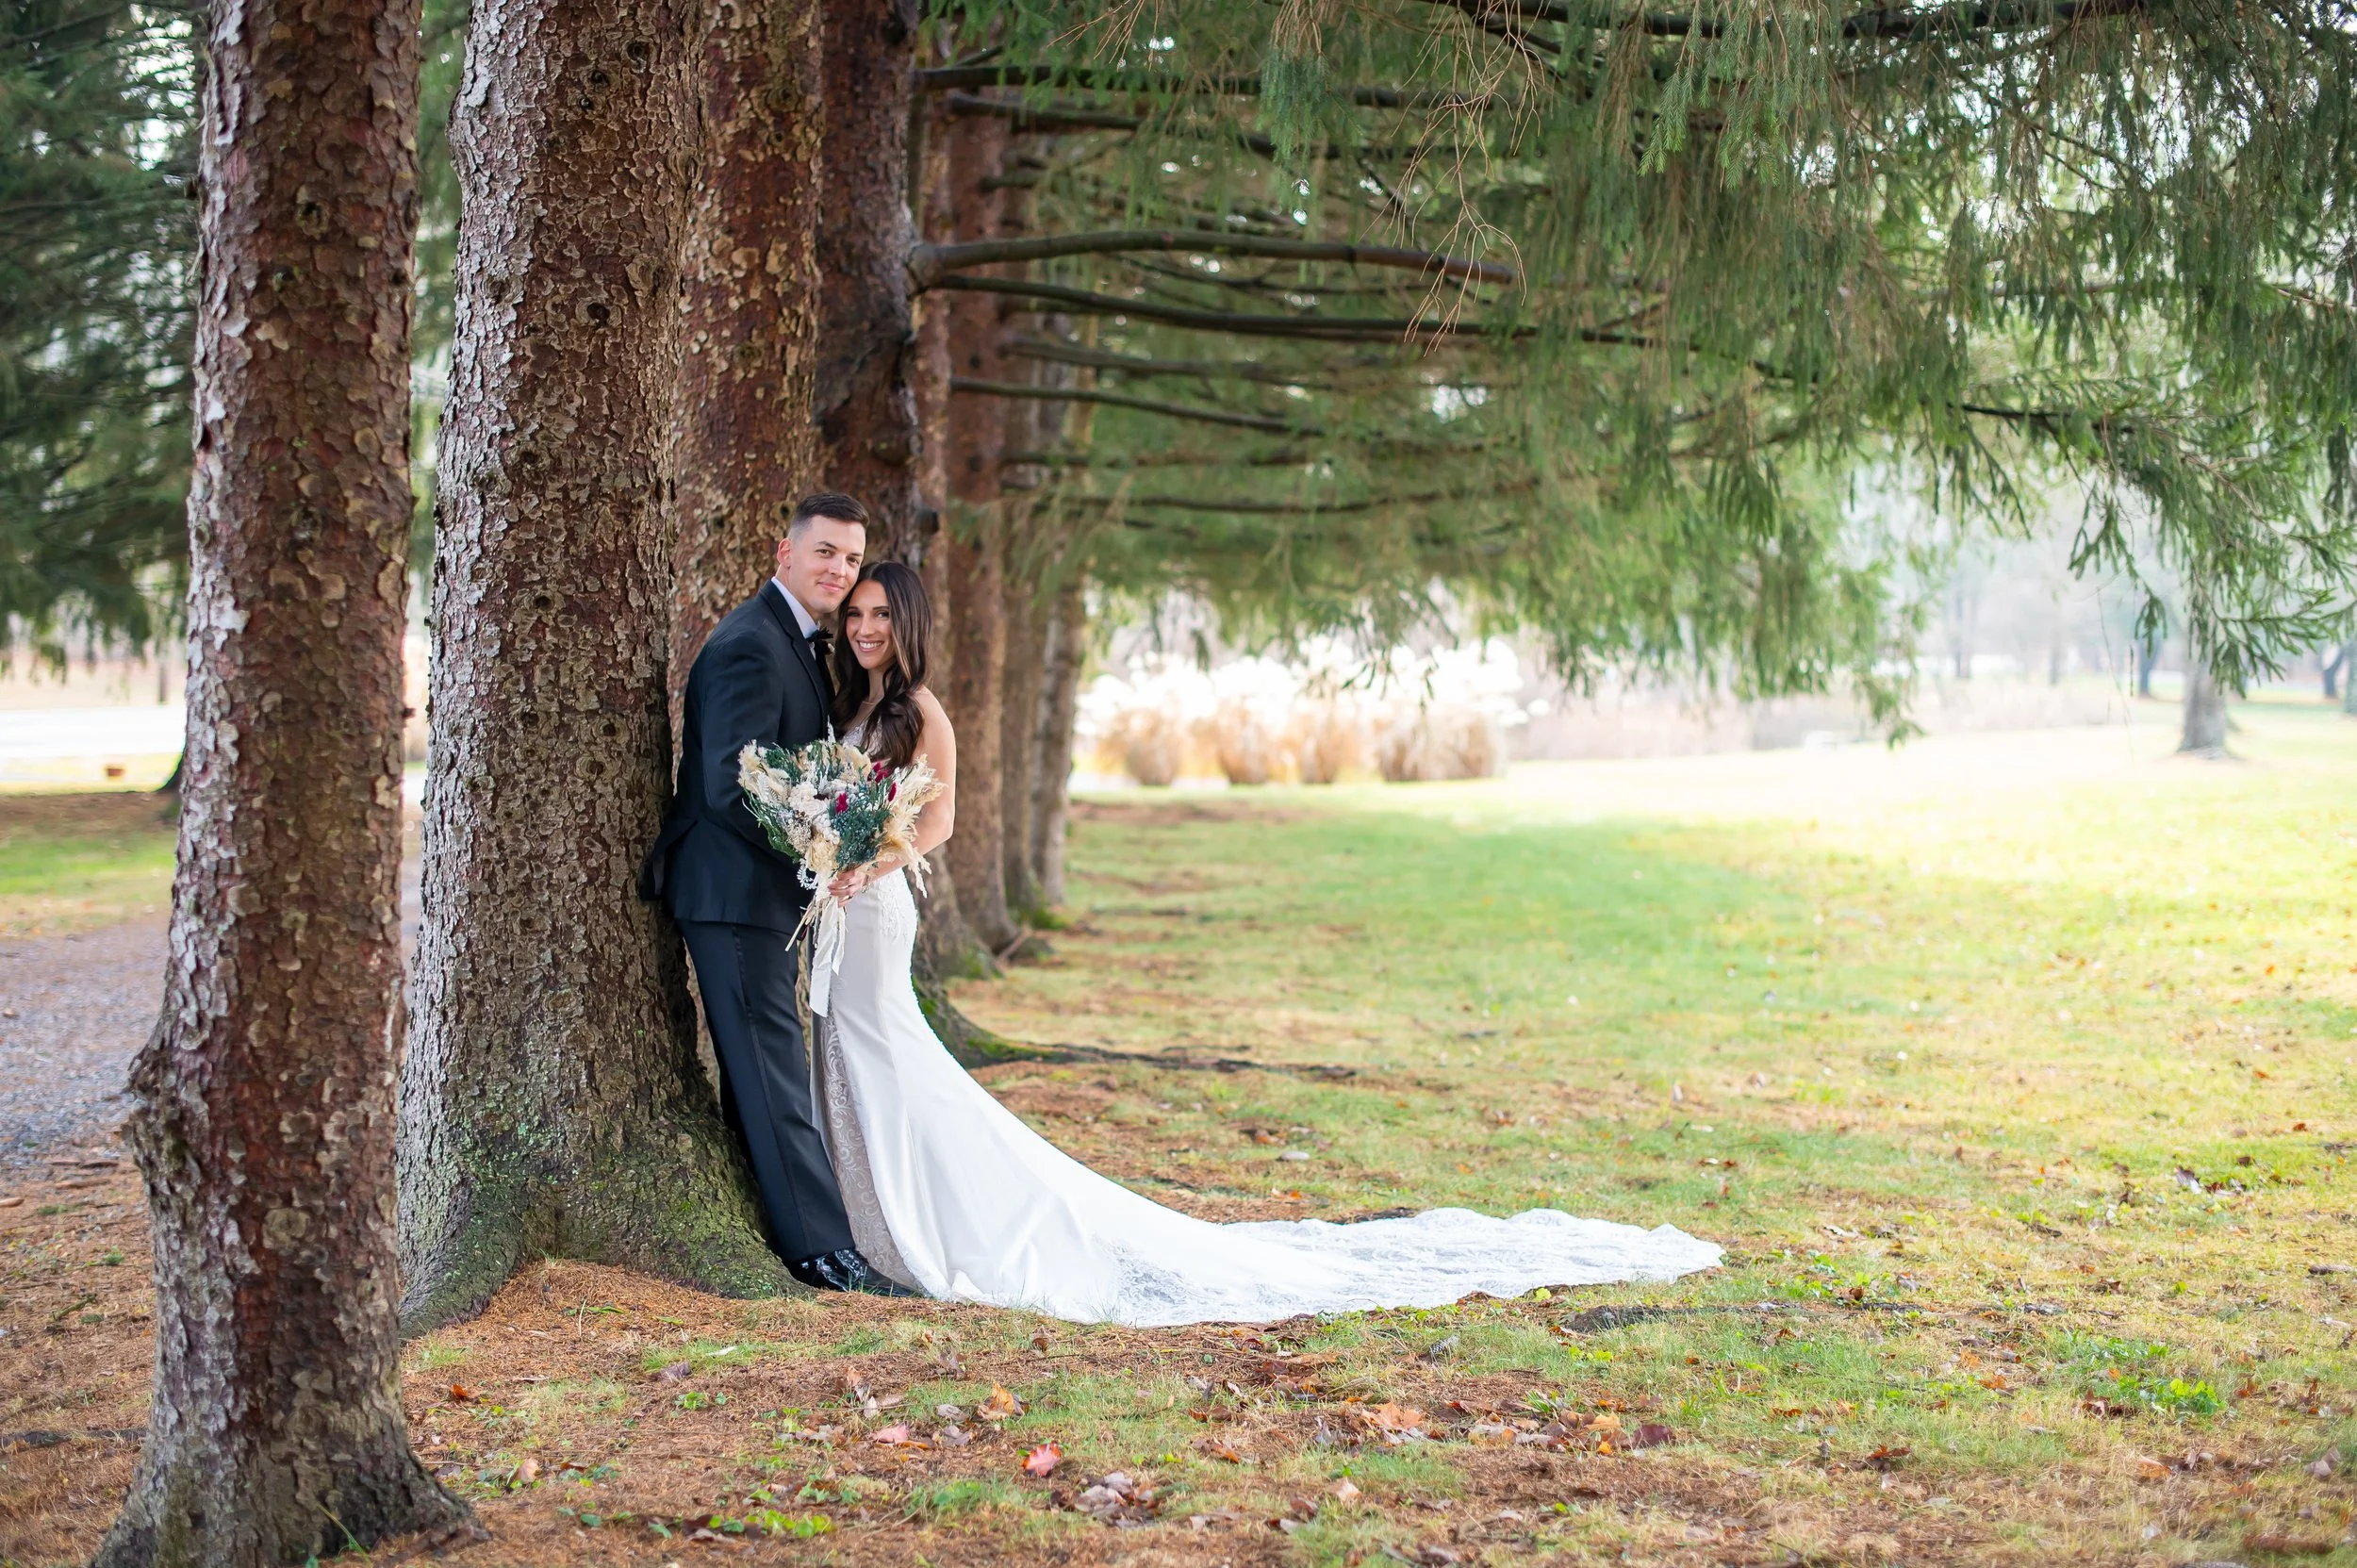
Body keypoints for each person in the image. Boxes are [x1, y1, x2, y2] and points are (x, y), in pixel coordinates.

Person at [802, 561, 1723, 1324]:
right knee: (857, 1051)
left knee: (890, 1053)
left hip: (878, 907)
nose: (865, 625)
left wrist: (865, 866)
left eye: (882, 612)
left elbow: (942, 819)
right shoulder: (856, 701)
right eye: (857, 613)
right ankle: (872, 1208)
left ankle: (922, 1219)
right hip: (843, 900)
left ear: (910, 620)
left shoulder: (921, 710)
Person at [637, 493, 910, 1296]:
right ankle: (825, 1255)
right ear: (784, 553)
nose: (839, 569)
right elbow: (731, 781)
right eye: (826, 552)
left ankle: (775, 1224)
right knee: (774, 1071)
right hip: (729, 894)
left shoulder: (798, 642)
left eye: (852, 558)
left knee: (762, 1072)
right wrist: (818, 854)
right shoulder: (750, 644)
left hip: (754, 897)